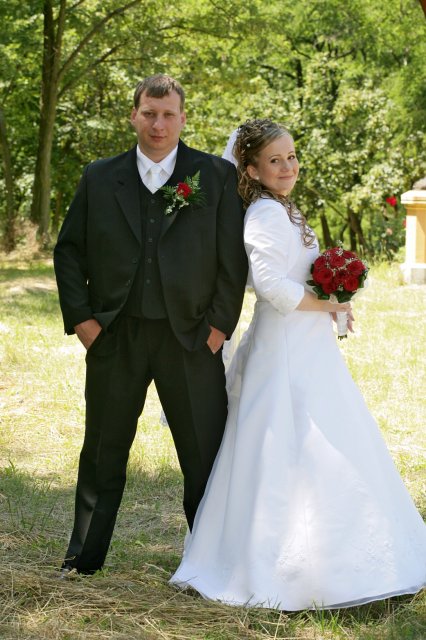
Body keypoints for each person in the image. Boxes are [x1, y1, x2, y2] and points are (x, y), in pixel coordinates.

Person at [170, 119, 426, 610]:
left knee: (328, 436)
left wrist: (334, 293)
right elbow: (271, 287)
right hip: (284, 347)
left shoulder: (284, 207)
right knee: (292, 444)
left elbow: (297, 274)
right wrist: (326, 302)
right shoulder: (265, 213)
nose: (288, 167)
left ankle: (338, 556)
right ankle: (287, 568)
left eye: (291, 157)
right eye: (275, 160)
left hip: (307, 344)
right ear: (251, 170)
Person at [53, 74, 248, 576]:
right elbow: (69, 252)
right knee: (103, 449)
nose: (158, 124)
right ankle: (82, 558)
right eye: (149, 113)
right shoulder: (100, 176)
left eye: (167, 115)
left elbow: (232, 261)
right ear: (134, 116)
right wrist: (84, 322)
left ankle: (210, 563)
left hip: (191, 338)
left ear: (183, 118)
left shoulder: (214, 176)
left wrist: (218, 329)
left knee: (203, 453)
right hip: (115, 335)